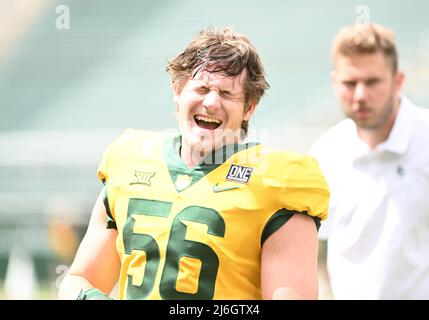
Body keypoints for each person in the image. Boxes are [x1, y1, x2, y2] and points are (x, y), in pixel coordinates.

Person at [58, 27, 329, 300]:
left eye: (226, 94)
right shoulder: (129, 159)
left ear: (250, 107)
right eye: (201, 88)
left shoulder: (280, 181)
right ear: (177, 91)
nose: (211, 102)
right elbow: (79, 279)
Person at [310, 23, 429, 299]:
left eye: (372, 81)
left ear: (398, 81)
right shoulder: (324, 154)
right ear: (334, 82)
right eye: (350, 83)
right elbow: (315, 254)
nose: (360, 95)